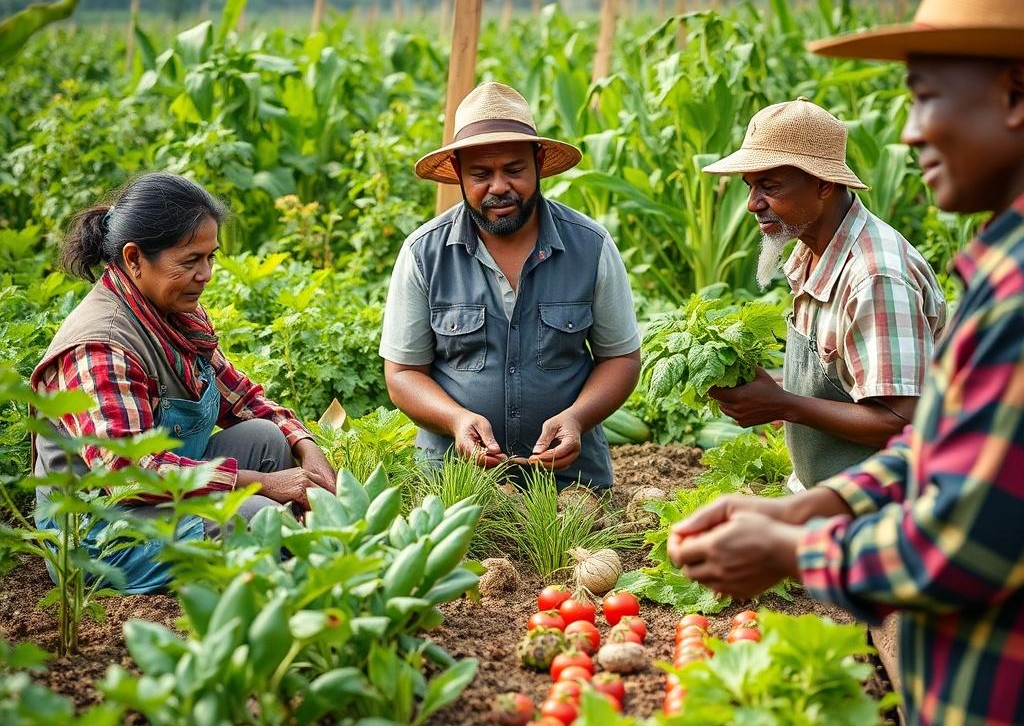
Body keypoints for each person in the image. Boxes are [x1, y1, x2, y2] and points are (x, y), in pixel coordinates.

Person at [667, 0, 1024, 723]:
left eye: (925, 96)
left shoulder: (890, 276)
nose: (910, 129)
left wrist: (798, 549)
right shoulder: (999, 261)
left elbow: (963, 536)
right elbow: (937, 444)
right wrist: (809, 507)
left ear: (1015, 95)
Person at [32, 172, 337, 594]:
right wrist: (265, 484)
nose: (206, 273)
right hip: (102, 531)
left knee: (268, 438)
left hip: (161, 497)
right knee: (252, 517)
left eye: (211, 257)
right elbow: (127, 474)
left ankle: (289, 553)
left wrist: (307, 447)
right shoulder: (102, 345)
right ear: (135, 258)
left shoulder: (174, 314)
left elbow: (242, 398)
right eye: (190, 261)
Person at [379, 81, 641, 489]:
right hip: (454, 484)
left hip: (571, 484)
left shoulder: (590, 246)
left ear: (537, 162)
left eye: (514, 170)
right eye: (481, 174)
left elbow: (620, 359)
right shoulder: (422, 253)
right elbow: (403, 373)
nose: (499, 187)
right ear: (457, 174)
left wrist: (577, 417)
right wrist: (456, 419)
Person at [701, 98, 946, 490]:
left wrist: (784, 404)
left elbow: (904, 422)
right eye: (750, 186)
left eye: (770, 185)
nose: (752, 204)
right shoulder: (811, 248)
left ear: (824, 184)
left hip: (887, 510)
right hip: (827, 494)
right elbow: (844, 379)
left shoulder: (875, 276)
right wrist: (768, 390)